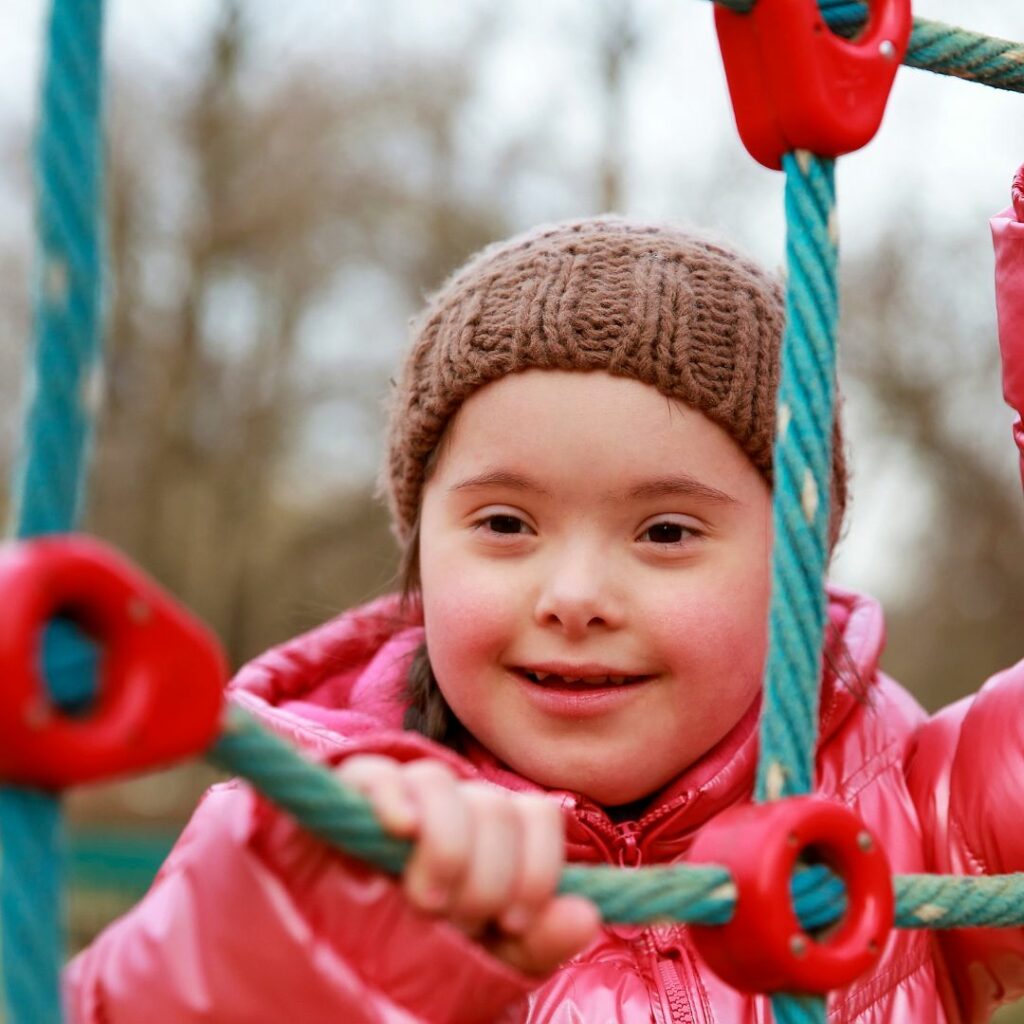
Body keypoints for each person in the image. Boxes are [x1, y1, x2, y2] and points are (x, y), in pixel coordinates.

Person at [66, 196, 1024, 1023]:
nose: (573, 599)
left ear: (796, 569)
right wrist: (305, 944)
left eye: (665, 534)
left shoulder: (903, 801)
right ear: (419, 548)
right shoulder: (310, 839)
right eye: (506, 522)